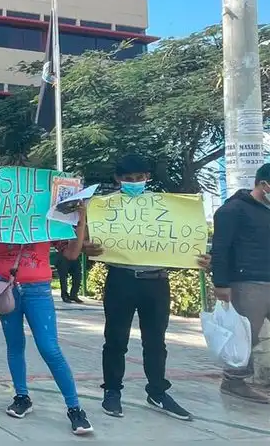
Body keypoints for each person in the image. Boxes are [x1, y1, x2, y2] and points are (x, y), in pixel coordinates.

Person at [0, 183, 94, 435]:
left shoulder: (49, 218)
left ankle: (75, 408)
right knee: (14, 344)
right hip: (5, 289)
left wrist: (81, 219)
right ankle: (22, 396)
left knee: (49, 347)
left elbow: (73, 253)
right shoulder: (0, 218)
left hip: (37, 290)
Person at [84, 154, 192, 421]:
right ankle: (112, 392)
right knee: (115, 339)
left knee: (156, 342)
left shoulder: (165, 207)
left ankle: (157, 391)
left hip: (157, 282)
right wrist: (88, 247)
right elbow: (85, 243)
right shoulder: (104, 207)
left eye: (141, 178)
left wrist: (196, 255)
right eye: (129, 179)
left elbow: (184, 238)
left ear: (148, 178)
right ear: (118, 180)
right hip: (121, 279)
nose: (136, 183)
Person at [210, 162, 270, 404]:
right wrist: (221, 283)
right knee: (246, 336)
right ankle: (234, 381)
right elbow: (221, 249)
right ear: (264, 184)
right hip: (248, 282)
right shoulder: (233, 210)